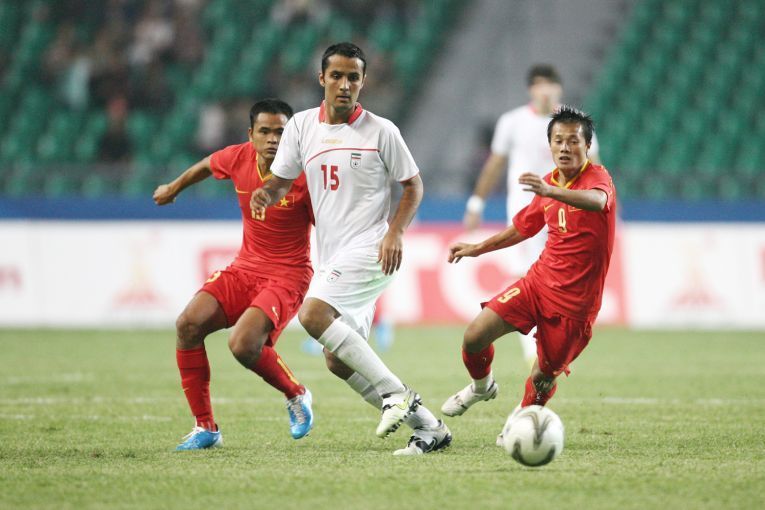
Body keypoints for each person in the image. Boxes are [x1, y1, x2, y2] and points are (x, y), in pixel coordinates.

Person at [251, 42, 451, 455]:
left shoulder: (382, 131)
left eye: (353, 78)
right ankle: (431, 428)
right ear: (321, 78)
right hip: (333, 253)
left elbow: (413, 186)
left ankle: (396, 394)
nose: (345, 85)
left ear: (363, 82)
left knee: (312, 314)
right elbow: (281, 181)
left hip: (373, 247)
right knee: (338, 360)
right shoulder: (301, 127)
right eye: (337, 76)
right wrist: (265, 194)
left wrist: (395, 232)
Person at [442, 106, 616, 444]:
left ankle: (520, 420)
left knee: (542, 376)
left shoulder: (597, 178)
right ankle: (482, 386)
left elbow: (597, 201)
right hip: (537, 285)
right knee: (474, 336)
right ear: (549, 145)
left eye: (573, 141)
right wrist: (477, 248)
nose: (565, 148)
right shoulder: (549, 183)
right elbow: (522, 228)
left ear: (587, 146)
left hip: (575, 306)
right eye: (558, 141)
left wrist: (553, 192)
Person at [153, 99, 315, 450]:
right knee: (188, 325)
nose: (273, 139)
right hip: (245, 268)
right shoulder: (238, 157)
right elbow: (207, 165)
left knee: (242, 344)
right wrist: (173, 188)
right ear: (251, 134)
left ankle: (296, 394)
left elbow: (333, 225)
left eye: (281, 132)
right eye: (265, 131)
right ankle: (205, 427)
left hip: (288, 274)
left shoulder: (306, 175)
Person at [464, 65, 601, 369]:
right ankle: (533, 350)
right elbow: (495, 164)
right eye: (539, 85)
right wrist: (476, 203)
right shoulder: (512, 122)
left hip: (566, 210)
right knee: (525, 276)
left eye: (550, 84)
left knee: (558, 278)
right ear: (531, 90)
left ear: (559, 89)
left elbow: (594, 167)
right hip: (525, 211)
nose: (545, 90)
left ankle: (554, 342)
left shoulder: (576, 122)